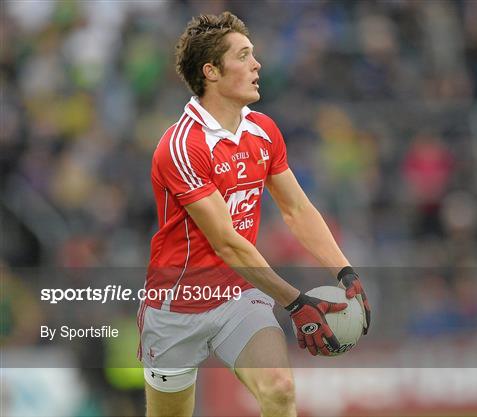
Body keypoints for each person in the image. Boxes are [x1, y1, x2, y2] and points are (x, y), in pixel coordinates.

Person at [137, 11, 371, 417]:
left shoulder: (263, 130)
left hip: (239, 295)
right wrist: (296, 302)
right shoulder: (180, 146)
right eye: (243, 56)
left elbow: (297, 208)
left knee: (279, 389)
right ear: (211, 71)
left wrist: (344, 272)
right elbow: (227, 243)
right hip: (177, 306)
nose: (256, 64)